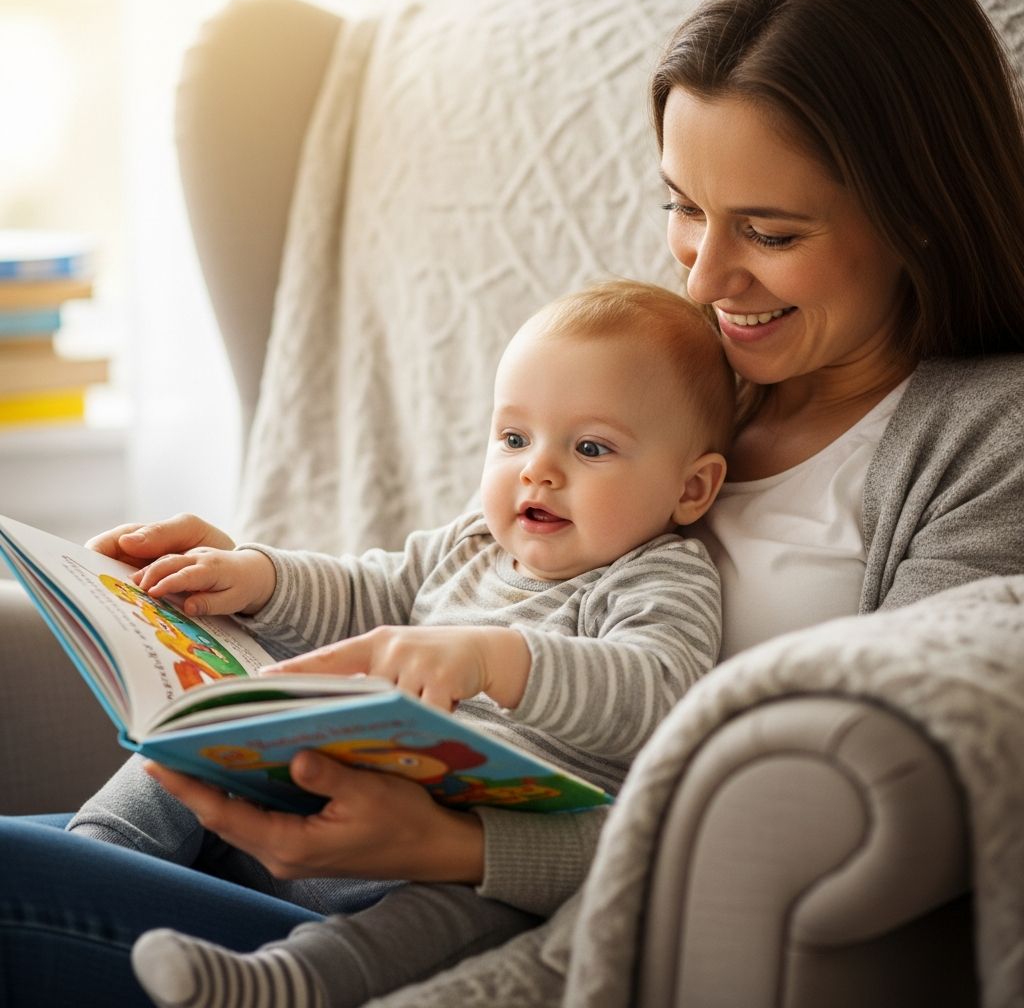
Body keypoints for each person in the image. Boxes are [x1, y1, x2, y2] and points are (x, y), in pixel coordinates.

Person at [1, 0, 1023, 1004]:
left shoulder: (984, 440)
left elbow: (829, 818)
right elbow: (418, 576)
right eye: (683, 207)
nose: (706, 278)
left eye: (769, 231)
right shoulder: (652, 377)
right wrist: (253, 581)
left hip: (460, 919)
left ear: (916, 211)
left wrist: (460, 847)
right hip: (297, 836)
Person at [2, 279, 734, 1008]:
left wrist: (494, 657)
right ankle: (99, 851)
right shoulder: (472, 542)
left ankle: (288, 983)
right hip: (317, 794)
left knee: (476, 912)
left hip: (448, 855)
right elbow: (366, 594)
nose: (537, 468)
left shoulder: (661, 573)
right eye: (513, 438)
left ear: (692, 490)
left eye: (592, 447)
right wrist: (255, 576)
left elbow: (656, 688)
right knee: (202, 725)